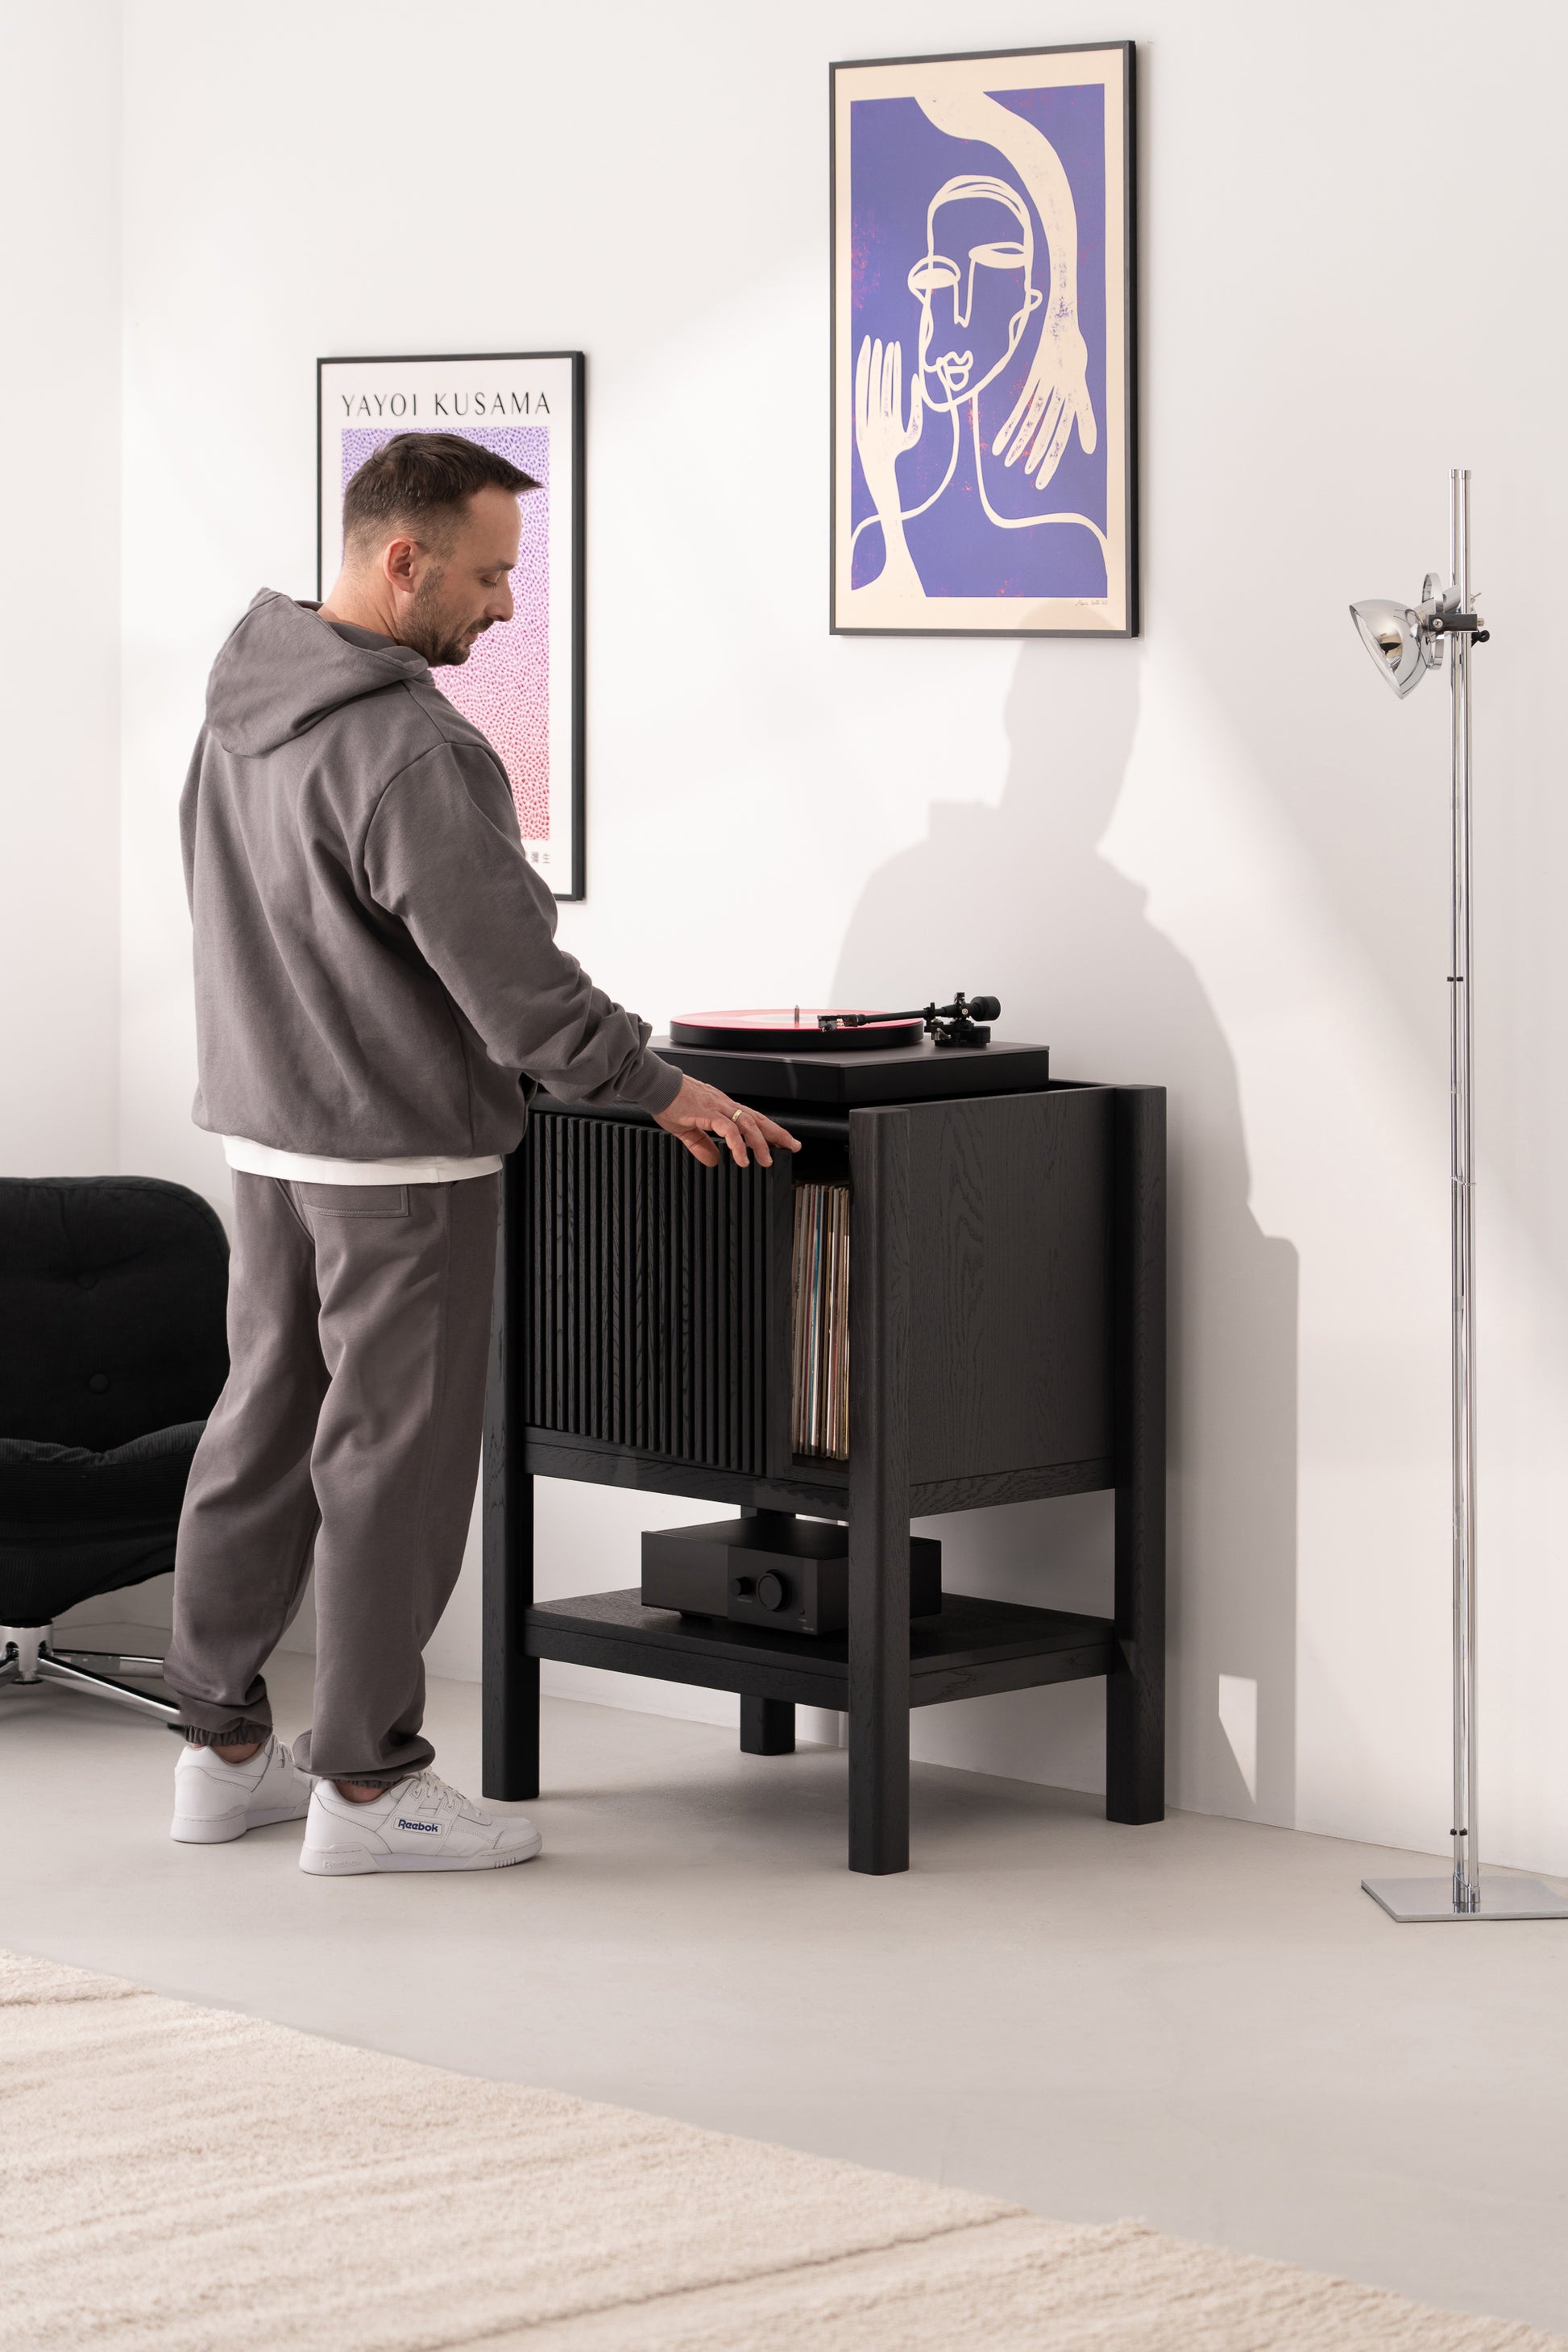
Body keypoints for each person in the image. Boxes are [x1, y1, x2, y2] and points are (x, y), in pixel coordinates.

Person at [163, 432, 798, 1876]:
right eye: (490, 572)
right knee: (389, 1468)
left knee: (260, 1430)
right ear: (403, 559)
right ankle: (371, 1792)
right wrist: (657, 1088)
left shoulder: (237, 705)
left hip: (266, 1133)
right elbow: (511, 984)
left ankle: (220, 1748)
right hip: (395, 1153)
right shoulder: (410, 745)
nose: (506, 607)